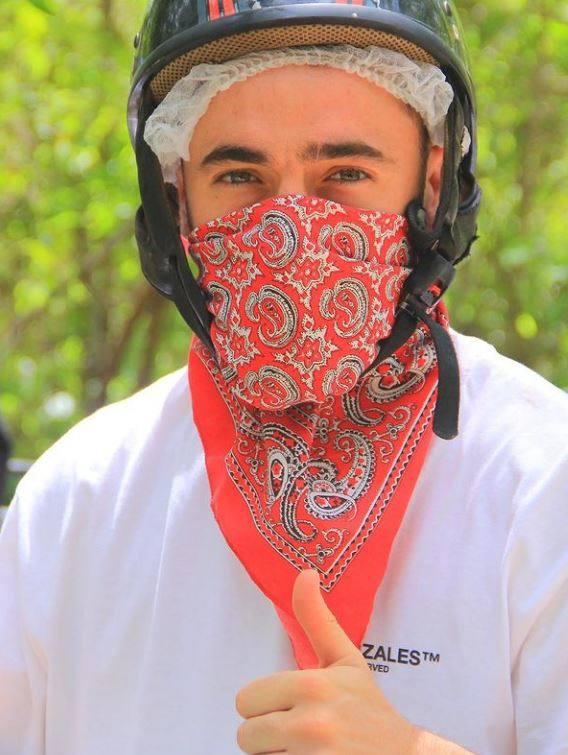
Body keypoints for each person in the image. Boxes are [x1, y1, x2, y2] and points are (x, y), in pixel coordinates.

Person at [0, 0, 566, 753]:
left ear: (431, 187)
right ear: (176, 200)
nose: (290, 222)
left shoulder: (543, 481)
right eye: (239, 174)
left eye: (346, 171)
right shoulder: (72, 505)